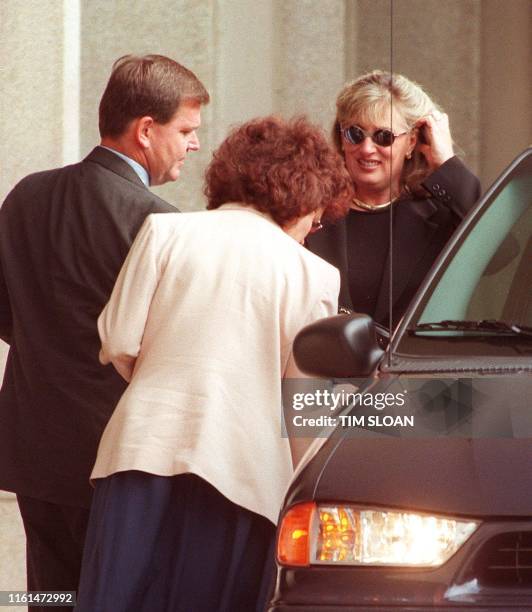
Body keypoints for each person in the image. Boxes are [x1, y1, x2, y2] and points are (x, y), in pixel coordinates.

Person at [74, 116, 352, 612]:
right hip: (243, 473)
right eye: (319, 217)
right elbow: (302, 406)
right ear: (305, 198)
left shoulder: (165, 231)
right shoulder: (315, 275)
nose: (315, 228)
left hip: (140, 453)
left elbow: (117, 339)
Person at [0, 54, 209, 610]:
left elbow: (5, 313)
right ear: (146, 129)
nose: (193, 146)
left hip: (33, 449)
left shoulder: (25, 196)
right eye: (186, 131)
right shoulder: (159, 224)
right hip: (117, 456)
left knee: (52, 599)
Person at [307, 70, 481, 330]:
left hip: (412, 368)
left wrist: (446, 161)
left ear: (412, 142)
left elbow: (502, 252)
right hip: (322, 368)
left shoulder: (440, 215)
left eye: (383, 136)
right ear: (342, 139)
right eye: (355, 134)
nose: (366, 149)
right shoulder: (312, 211)